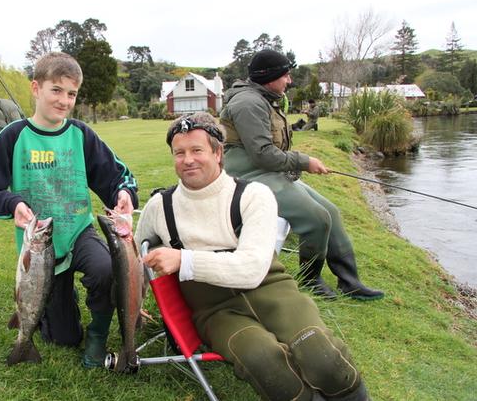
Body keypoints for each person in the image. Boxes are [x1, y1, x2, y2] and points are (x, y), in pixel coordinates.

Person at [135, 113, 370, 401]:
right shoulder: (160, 206)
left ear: (218, 153)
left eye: (197, 150)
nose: (188, 160)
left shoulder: (253, 195)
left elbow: (251, 270)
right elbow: (136, 257)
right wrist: (135, 306)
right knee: (264, 362)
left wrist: (185, 260)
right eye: (179, 153)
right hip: (216, 311)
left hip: (272, 290)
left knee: (322, 357)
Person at [0, 52, 138, 368]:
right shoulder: (13, 136)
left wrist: (124, 193)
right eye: (56, 90)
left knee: (104, 269)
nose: (64, 100)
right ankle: (56, 306)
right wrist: (13, 203)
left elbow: (117, 176)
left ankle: (98, 335)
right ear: (36, 88)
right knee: (63, 338)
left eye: (71, 93)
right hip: (41, 250)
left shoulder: (81, 135)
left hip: (78, 231)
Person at [219, 49, 383, 300]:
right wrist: (305, 162)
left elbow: (272, 152)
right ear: (270, 76)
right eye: (286, 75)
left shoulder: (264, 98)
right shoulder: (248, 103)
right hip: (250, 176)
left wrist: (298, 164)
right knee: (316, 218)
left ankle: (349, 281)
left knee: (332, 213)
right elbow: (263, 154)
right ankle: (310, 279)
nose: (289, 80)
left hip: (268, 172)